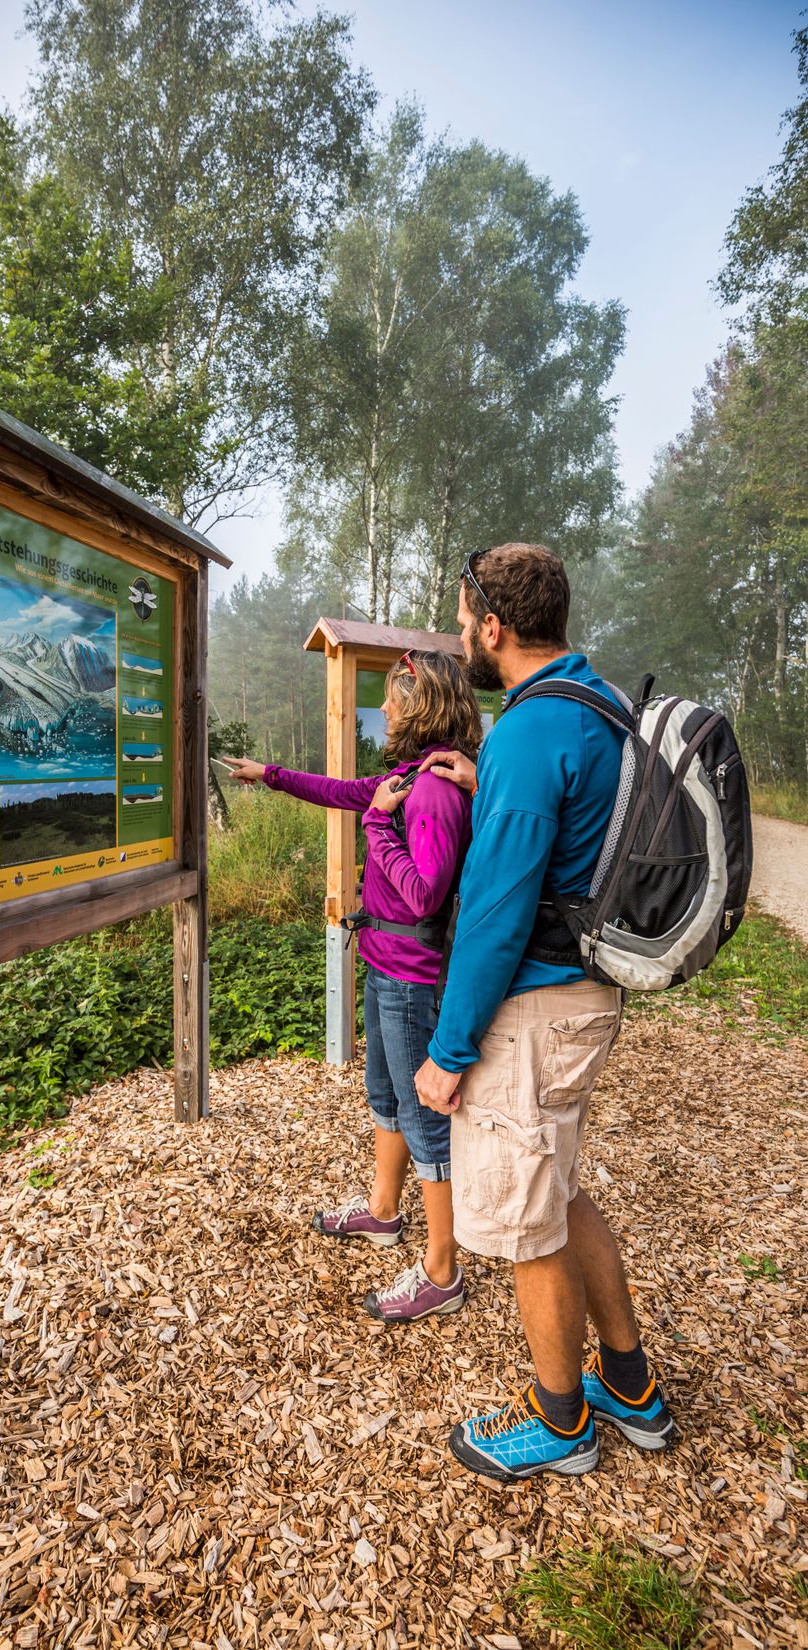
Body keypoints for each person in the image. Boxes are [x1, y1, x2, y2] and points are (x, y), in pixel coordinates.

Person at [414, 542, 675, 1481]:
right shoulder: (598, 707)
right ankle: (632, 1386)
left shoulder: (527, 730)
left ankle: (561, 1419)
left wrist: (448, 1049)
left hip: (532, 1008)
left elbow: (493, 912)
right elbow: (570, 830)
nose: (459, 635)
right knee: (558, 1190)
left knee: (525, 1222)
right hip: (589, 990)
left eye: (461, 618)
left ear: (494, 625)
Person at [223, 651, 479, 1323]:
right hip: (387, 966)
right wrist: (270, 776)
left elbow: (423, 893)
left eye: (395, 697)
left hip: (410, 978)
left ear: (421, 706)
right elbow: (344, 792)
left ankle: (443, 1270)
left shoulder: (434, 790)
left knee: (424, 1118)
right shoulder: (410, 775)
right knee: (389, 1099)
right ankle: (385, 1212)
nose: (385, 708)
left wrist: (375, 828)